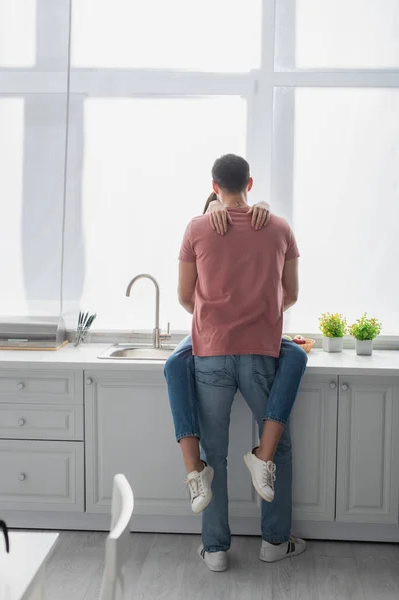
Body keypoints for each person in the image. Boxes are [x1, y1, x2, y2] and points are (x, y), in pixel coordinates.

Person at [164, 155, 307, 571]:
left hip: (211, 352)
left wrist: (216, 317)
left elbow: (185, 296)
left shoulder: (196, 228)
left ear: (214, 186)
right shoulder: (280, 228)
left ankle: (216, 550)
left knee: (215, 454)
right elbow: (291, 295)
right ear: (250, 182)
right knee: (275, 448)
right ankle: (274, 544)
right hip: (262, 352)